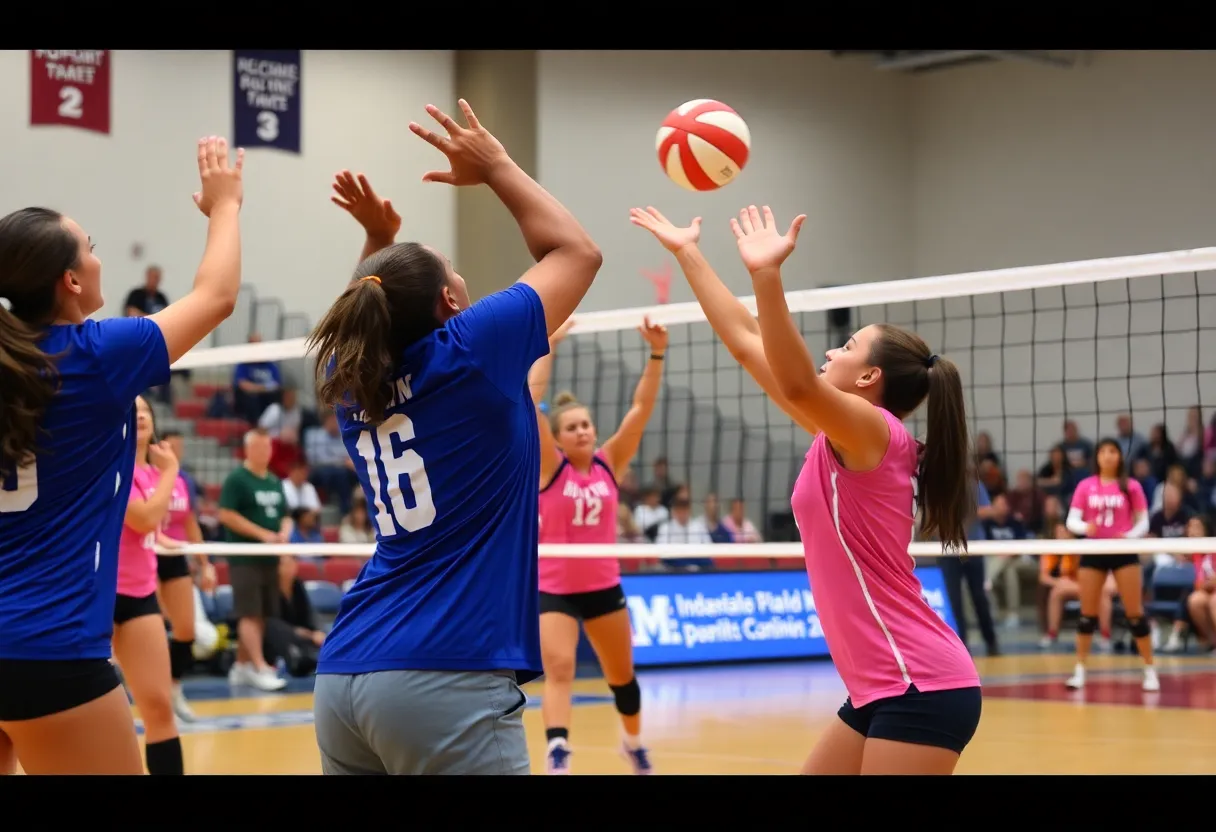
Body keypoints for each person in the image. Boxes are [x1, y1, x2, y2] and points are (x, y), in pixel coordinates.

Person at [631, 204, 982, 775]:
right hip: (883, 685)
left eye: (847, 347)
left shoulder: (876, 431)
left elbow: (795, 380)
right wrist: (686, 251)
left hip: (919, 682)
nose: (831, 352)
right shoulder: (841, 436)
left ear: (869, 377)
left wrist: (766, 275)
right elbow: (747, 341)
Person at [309, 99, 603, 776]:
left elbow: (362, 317)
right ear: (450, 302)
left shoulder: (347, 382)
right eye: (452, 268)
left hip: (345, 672)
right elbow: (578, 253)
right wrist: (495, 164)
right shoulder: (471, 350)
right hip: (446, 673)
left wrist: (376, 242)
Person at [0, 136, 244, 775]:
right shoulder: (95, 356)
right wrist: (225, 206)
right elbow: (216, 296)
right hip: (52, 649)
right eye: (91, 246)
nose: (99, 257)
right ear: (71, 280)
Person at [528, 315, 667, 775]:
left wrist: (656, 353)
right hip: (555, 588)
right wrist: (547, 343)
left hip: (604, 586)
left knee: (621, 676)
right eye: (572, 428)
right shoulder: (551, 468)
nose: (583, 431)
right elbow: (531, 400)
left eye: (586, 424)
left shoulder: (610, 463)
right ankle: (557, 752)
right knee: (560, 670)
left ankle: (632, 743)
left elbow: (641, 409)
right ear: (558, 438)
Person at [114, 396, 186, 775]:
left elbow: (147, 529)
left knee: (159, 707)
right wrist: (172, 469)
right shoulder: (112, 464)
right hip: (97, 596)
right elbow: (142, 518)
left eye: (146, 410)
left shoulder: (152, 475)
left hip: (140, 594)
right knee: (95, 712)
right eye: (133, 409)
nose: (140, 415)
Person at [1064, 438, 1158, 691]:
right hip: (1093, 550)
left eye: (1113, 451)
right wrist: (1086, 527)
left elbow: (1143, 522)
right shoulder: (1086, 486)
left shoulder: (1131, 485)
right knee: (1087, 615)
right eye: (1103, 451)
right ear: (1097, 457)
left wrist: (1128, 536)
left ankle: (1150, 670)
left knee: (1135, 614)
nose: (1107, 455)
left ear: (1119, 456)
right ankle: (1079, 670)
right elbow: (1072, 520)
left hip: (1123, 551)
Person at [154, 415, 217, 722]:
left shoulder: (182, 480)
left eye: (180, 447)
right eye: (172, 447)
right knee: (154, 627)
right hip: (148, 556)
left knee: (186, 630)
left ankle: (174, 688)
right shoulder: (146, 475)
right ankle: (153, 695)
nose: (177, 452)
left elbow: (191, 524)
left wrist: (205, 563)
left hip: (176, 556)